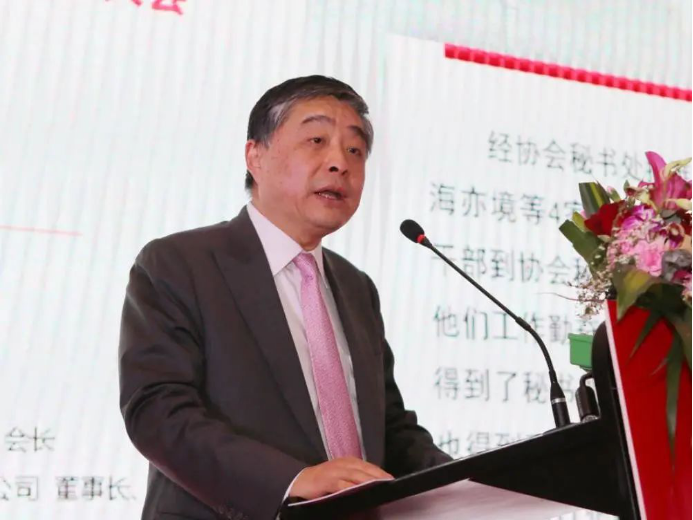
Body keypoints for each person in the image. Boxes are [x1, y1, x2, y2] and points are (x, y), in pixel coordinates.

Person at [118, 75, 451, 520]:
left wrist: (472, 479)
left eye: (355, 150)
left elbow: (388, 429)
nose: (340, 163)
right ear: (255, 156)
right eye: (316, 141)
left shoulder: (356, 287)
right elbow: (157, 413)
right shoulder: (179, 264)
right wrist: (291, 480)